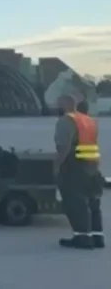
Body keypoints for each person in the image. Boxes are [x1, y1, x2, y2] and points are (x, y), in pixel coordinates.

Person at [54, 94, 104, 249]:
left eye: (58, 103)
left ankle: (82, 238)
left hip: (75, 167)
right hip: (92, 167)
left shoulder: (65, 121)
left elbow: (64, 147)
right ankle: (97, 237)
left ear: (65, 105)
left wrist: (57, 166)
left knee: (76, 203)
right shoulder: (88, 120)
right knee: (93, 203)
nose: (56, 106)